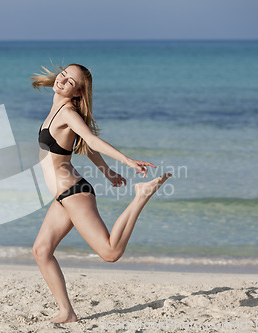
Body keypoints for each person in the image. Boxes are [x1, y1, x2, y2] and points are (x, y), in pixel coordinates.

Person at [31, 63, 171, 323]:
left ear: (77, 93)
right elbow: (86, 144)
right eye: (63, 74)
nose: (62, 80)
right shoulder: (59, 109)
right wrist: (107, 172)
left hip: (74, 193)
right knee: (41, 251)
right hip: (63, 198)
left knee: (110, 253)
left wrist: (127, 161)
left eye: (70, 81)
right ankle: (67, 312)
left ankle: (141, 195)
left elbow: (93, 141)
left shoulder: (67, 112)